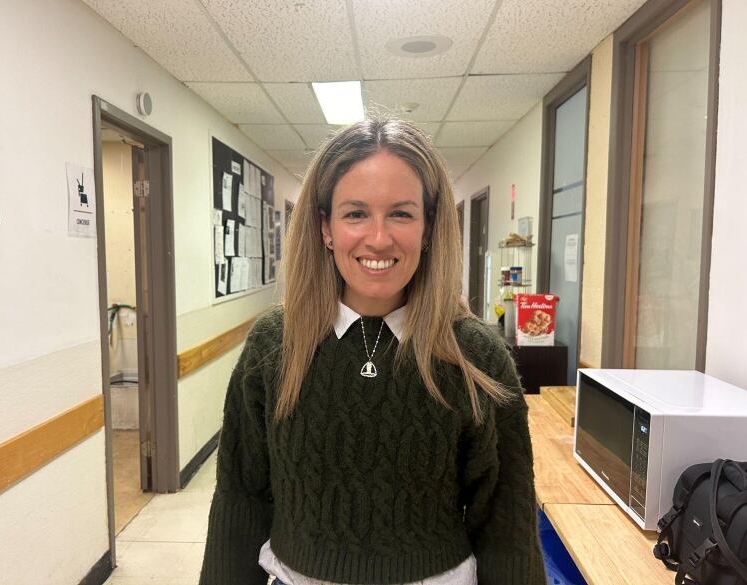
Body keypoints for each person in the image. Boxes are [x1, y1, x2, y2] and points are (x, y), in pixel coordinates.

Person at [199, 118, 545, 585]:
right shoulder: (274, 345)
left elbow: (508, 523)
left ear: (428, 228)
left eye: (401, 214)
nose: (378, 238)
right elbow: (239, 499)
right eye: (355, 213)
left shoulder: (475, 357)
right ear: (325, 227)